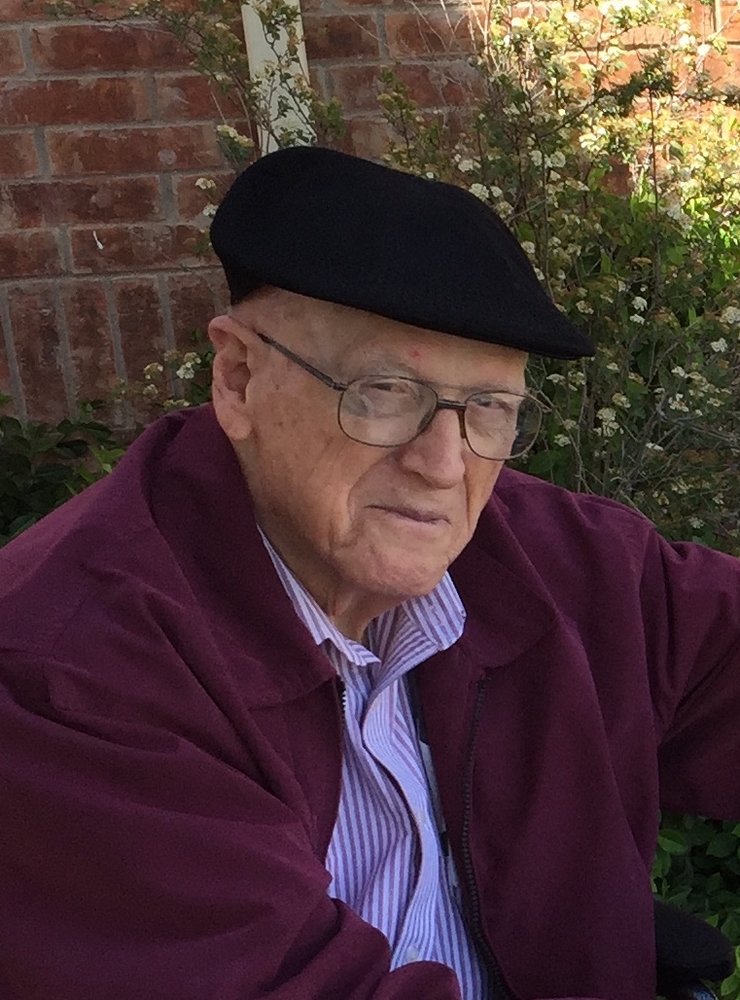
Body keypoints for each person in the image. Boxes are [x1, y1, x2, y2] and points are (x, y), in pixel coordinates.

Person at [0, 146, 738, 1000]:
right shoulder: (67, 679)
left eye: (488, 409)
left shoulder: (561, 563)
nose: (444, 465)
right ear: (238, 378)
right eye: (385, 392)